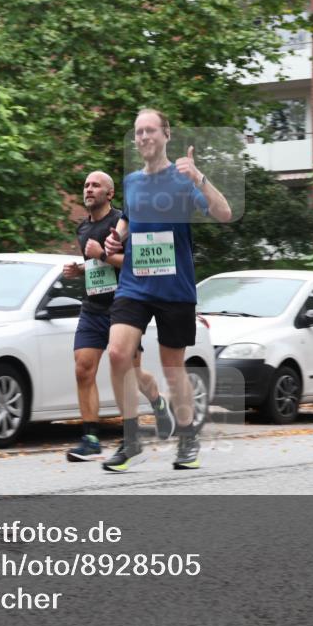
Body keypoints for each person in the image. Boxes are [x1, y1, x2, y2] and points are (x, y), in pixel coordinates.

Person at [102, 108, 233, 472]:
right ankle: (131, 440)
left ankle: (188, 436)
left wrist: (200, 176)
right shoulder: (130, 181)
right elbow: (128, 218)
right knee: (117, 354)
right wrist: (117, 238)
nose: (143, 137)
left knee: (173, 368)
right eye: (138, 132)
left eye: (150, 131)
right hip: (135, 284)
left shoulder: (183, 180)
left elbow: (223, 213)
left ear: (166, 135)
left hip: (174, 287)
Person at [62, 171, 174, 461]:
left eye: (95, 185)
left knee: (132, 374)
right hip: (92, 307)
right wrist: (81, 270)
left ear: (109, 194)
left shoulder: (123, 223)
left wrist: (100, 255)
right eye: (86, 184)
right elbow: (99, 266)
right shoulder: (83, 229)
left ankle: (158, 402)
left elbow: (138, 263)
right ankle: (90, 438)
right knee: (82, 368)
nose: (88, 189)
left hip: (124, 308)